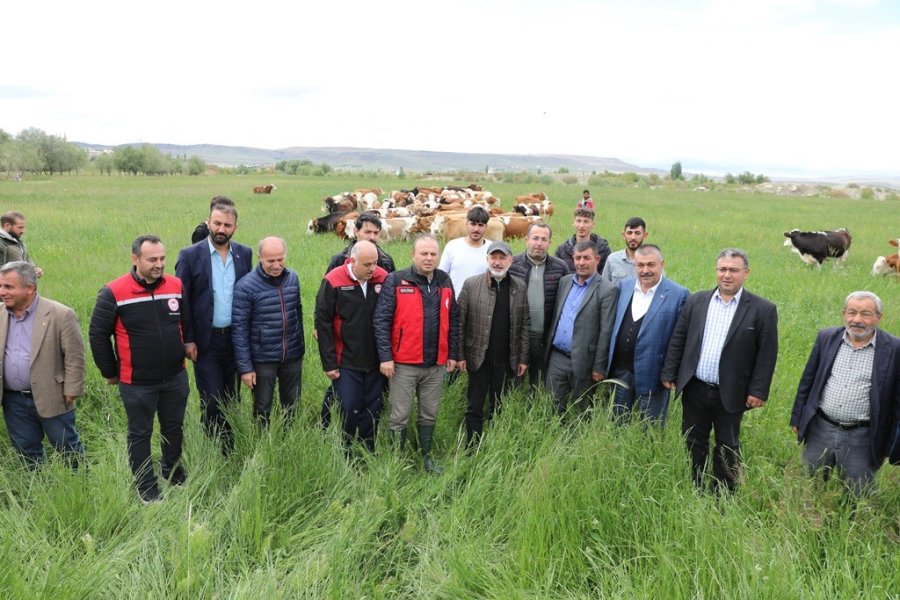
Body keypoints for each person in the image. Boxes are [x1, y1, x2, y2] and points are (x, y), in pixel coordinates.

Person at [661, 248, 778, 493]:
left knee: (727, 444)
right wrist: (670, 372)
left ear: (746, 273)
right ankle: (695, 484)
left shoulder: (762, 309)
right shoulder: (697, 300)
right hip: (695, 386)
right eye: (722, 269)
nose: (727, 275)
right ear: (716, 271)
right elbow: (679, 338)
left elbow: (767, 355)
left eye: (733, 270)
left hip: (732, 391)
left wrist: (758, 390)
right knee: (693, 439)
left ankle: (723, 493)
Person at [89, 235, 190, 504]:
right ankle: (146, 486)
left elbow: (187, 321)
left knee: (173, 428)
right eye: (152, 259)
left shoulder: (176, 285)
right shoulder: (113, 292)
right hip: (136, 382)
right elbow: (98, 336)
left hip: (175, 377)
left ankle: (172, 471)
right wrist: (110, 372)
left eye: (162, 258)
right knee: (140, 434)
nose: (159, 265)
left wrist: (188, 345)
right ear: (135, 259)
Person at [790, 291, 900, 495]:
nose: (857, 320)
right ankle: (809, 521)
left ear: (878, 317)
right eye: (852, 312)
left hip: (863, 435)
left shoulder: (894, 348)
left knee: (858, 492)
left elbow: (897, 401)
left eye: (866, 314)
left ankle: (849, 524)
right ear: (844, 314)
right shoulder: (826, 337)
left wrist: (891, 440)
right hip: (820, 428)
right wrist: (798, 417)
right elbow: (808, 380)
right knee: (809, 484)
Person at [374, 235, 459, 473]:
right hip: (403, 364)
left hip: (435, 364)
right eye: (424, 253)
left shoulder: (445, 280)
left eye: (433, 254)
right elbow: (381, 320)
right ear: (413, 254)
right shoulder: (396, 280)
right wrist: (385, 357)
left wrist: (452, 353)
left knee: (429, 413)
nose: (429, 258)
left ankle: (426, 457)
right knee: (399, 414)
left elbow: (453, 319)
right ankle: (397, 462)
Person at [176, 197, 252, 453]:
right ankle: (212, 446)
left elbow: (248, 296)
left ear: (235, 227)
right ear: (208, 222)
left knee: (232, 396)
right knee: (211, 399)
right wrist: (187, 338)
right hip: (205, 341)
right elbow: (182, 300)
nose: (221, 229)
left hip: (236, 338)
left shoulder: (245, 254)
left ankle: (229, 446)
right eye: (217, 223)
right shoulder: (189, 256)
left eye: (227, 225)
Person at [0, 261, 85, 467]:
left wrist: (72, 389)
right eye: (1, 286)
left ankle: (79, 485)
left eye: (8, 287)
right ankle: (37, 488)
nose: (2, 292)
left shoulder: (59, 314)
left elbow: (75, 356)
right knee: (25, 449)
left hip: (52, 394)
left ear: (30, 288)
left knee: (66, 445)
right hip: (13, 400)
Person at [320, 212, 396, 429]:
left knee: (374, 403)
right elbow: (324, 313)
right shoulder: (337, 269)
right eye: (367, 232)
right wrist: (329, 358)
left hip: (375, 350)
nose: (371, 236)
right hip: (346, 350)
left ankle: (367, 446)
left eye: (375, 233)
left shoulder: (385, 267)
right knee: (346, 400)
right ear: (356, 232)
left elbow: (393, 309)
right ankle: (333, 432)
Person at [315, 241, 388, 453]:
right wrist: (329, 363)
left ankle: (367, 449)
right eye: (367, 264)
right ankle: (344, 447)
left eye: (375, 263)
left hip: (375, 360)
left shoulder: (383, 278)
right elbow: (323, 323)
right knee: (349, 405)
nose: (372, 269)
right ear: (352, 261)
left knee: (373, 407)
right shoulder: (333, 280)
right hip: (345, 359)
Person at [606, 245, 689, 425]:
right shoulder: (624, 287)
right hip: (621, 370)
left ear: (662, 264)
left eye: (651, 265)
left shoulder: (678, 294)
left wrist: (671, 373)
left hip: (654, 374)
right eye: (640, 265)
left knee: (651, 429)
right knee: (618, 422)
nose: (645, 270)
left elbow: (680, 339)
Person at [457, 241, 529, 444]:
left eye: (502, 258)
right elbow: (460, 322)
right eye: (493, 258)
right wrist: (460, 355)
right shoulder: (471, 284)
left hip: (506, 359)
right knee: (475, 405)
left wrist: (523, 358)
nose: (497, 262)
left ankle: (495, 443)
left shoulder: (519, 286)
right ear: (487, 259)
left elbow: (524, 324)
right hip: (478, 359)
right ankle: (472, 446)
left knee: (499, 404)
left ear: (510, 260)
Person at [232, 237, 305, 426]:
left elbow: (298, 312)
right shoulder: (245, 287)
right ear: (259, 258)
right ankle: (263, 444)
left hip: (292, 355)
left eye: (280, 259)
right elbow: (239, 330)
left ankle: (290, 441)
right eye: (270, 261)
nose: (276, 265)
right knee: (262, 407)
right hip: (263, 358)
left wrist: (299, 348)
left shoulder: (293, 279)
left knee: (292, 404)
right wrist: (246, 368)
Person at [544, 241, 618, 417]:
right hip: (557, 357)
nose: (581, 262)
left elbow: (606, 331)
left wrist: (599, 366)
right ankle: (553, 437)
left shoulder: (607, 290)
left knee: (581, 409)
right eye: (578, 258)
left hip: (585, 360)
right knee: (552, 405)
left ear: (597, 259)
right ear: (573, 259)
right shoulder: (565, 282)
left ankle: (577, 441)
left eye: (586, 258)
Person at [508, 222, 569, 387]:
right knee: (514, 380)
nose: (539, 243)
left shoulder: (560, 267)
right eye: (535, 238)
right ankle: (510, 406)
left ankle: (533, 407)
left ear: (550, 242)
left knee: (539, 382)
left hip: (545, 336)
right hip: (517, 336)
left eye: (544, 239)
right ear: (526, 239)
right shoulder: (512, 265)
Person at [438, 206, 493, 299]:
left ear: (486, 227)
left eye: (480, 225)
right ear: (466, 224)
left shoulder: (492, 249)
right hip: (455, 304)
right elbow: (440, 276)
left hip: (482, 305)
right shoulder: (452, 246)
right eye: (473, 224)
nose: (476, 229)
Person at [554, 208, 611, 275]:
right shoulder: (562, 250)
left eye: (586, 221)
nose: (581, 226)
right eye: (578, 221)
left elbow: (606, 278)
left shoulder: (603, 250)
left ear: (593, 224)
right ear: (573, 223)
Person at [601, 217, 648, 284]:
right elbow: (604, 287)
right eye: (629, 233)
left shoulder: (651, 261)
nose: (633, 237)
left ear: (645, 235)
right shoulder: (612, 259)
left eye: (637, 233)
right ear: (624, 235)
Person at [0, 212, 43, 278]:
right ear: (7, 225)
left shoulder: (17, 240)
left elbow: (27, 260)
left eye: (23, 227)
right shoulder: (1, 243)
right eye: (20, 227)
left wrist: (36, 270)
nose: (23, 231)